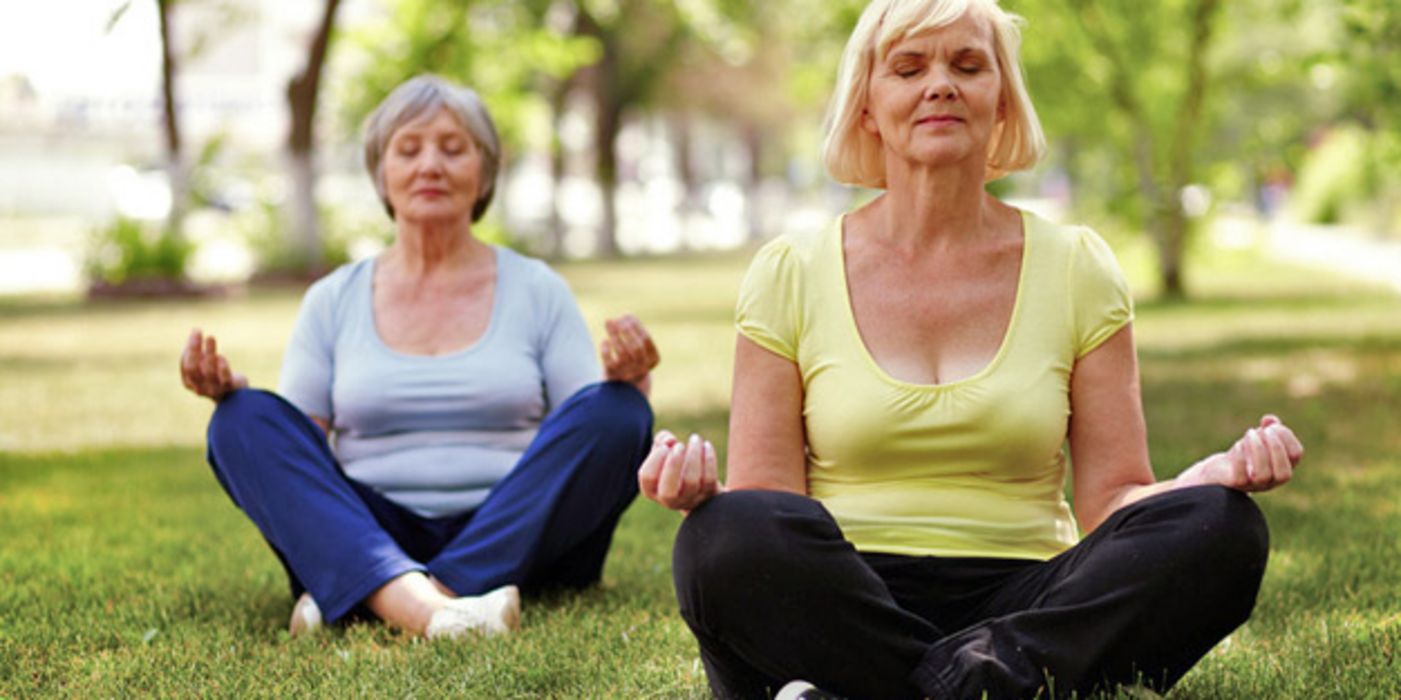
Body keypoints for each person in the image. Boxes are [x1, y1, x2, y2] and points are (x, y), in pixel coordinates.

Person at [638, 1, 1304, 698]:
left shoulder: (1076, 265)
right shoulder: (790, 270)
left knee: (1221, 528)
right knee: (725, 536)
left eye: (966, 65)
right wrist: (708, 501)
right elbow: (769, 500)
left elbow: (1111, 500)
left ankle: (909, 685)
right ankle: (988, 687)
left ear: (1002, 102)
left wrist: (1203, 478)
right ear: (867, 106)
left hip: (1024, 601)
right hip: (842, 596)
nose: (939, 85)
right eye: (907, 68)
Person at [179, 74, 660, 640]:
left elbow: (584, 439)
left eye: (453, 149)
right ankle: (433, 611)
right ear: (381, 173)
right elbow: (301, 459)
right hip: (371, 528)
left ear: (484, 172)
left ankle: (371, 597)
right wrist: (237, 399)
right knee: (243, 420)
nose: (430, 165)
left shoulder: (537, 288)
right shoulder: (333, 298)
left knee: (621, 412)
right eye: (408, 150)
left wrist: (630, 383)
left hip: (515, 535)